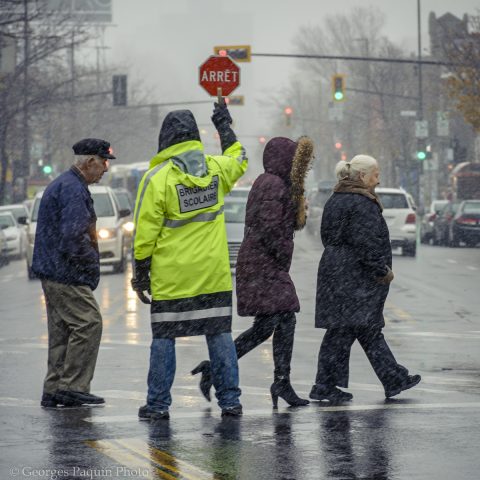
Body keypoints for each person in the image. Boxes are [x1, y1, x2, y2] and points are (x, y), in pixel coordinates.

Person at [131, 104, 247, 420]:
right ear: (196, 137)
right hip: (213, 275)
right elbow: (240, 157)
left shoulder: (157, 178)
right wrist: (224, 124)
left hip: (173, 279)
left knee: (165, 337)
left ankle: (157, 405)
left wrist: (140, 274)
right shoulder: (216, 169)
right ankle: (230, 401)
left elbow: (145, 233)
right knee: (219, 334)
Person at [192, 136, 314, 408]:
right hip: (264, 264)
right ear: (284, 159)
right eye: (293, 159)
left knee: (267, 326)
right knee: (283, 319)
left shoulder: (271, 182)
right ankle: (280, 381)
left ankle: (219, 370)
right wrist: (284, 252)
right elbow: (272, 228)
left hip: (260, 263)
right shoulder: (272, 184)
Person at [310, 154, 421, 402]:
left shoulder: (336, 199)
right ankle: (327, 385)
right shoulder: (361, 203)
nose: (378, 180)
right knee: (356, 329)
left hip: (337, 273)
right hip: (354, 277)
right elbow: (367, 244)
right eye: (376, 174)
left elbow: (328, 237)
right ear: (362, 176)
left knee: (354, 330)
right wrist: (382, 271)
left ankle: (391, 378)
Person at [33, 138, 115, 408]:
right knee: (89, 323)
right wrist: (89, 264)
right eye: (103, 162)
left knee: (62, 331)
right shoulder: (72, 189)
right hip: (66, 273)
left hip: (53, 270)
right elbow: (73, 237)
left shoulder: (65, 184)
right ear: (90, 161)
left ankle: (55, 387)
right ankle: (73, 386)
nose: (105, 169)